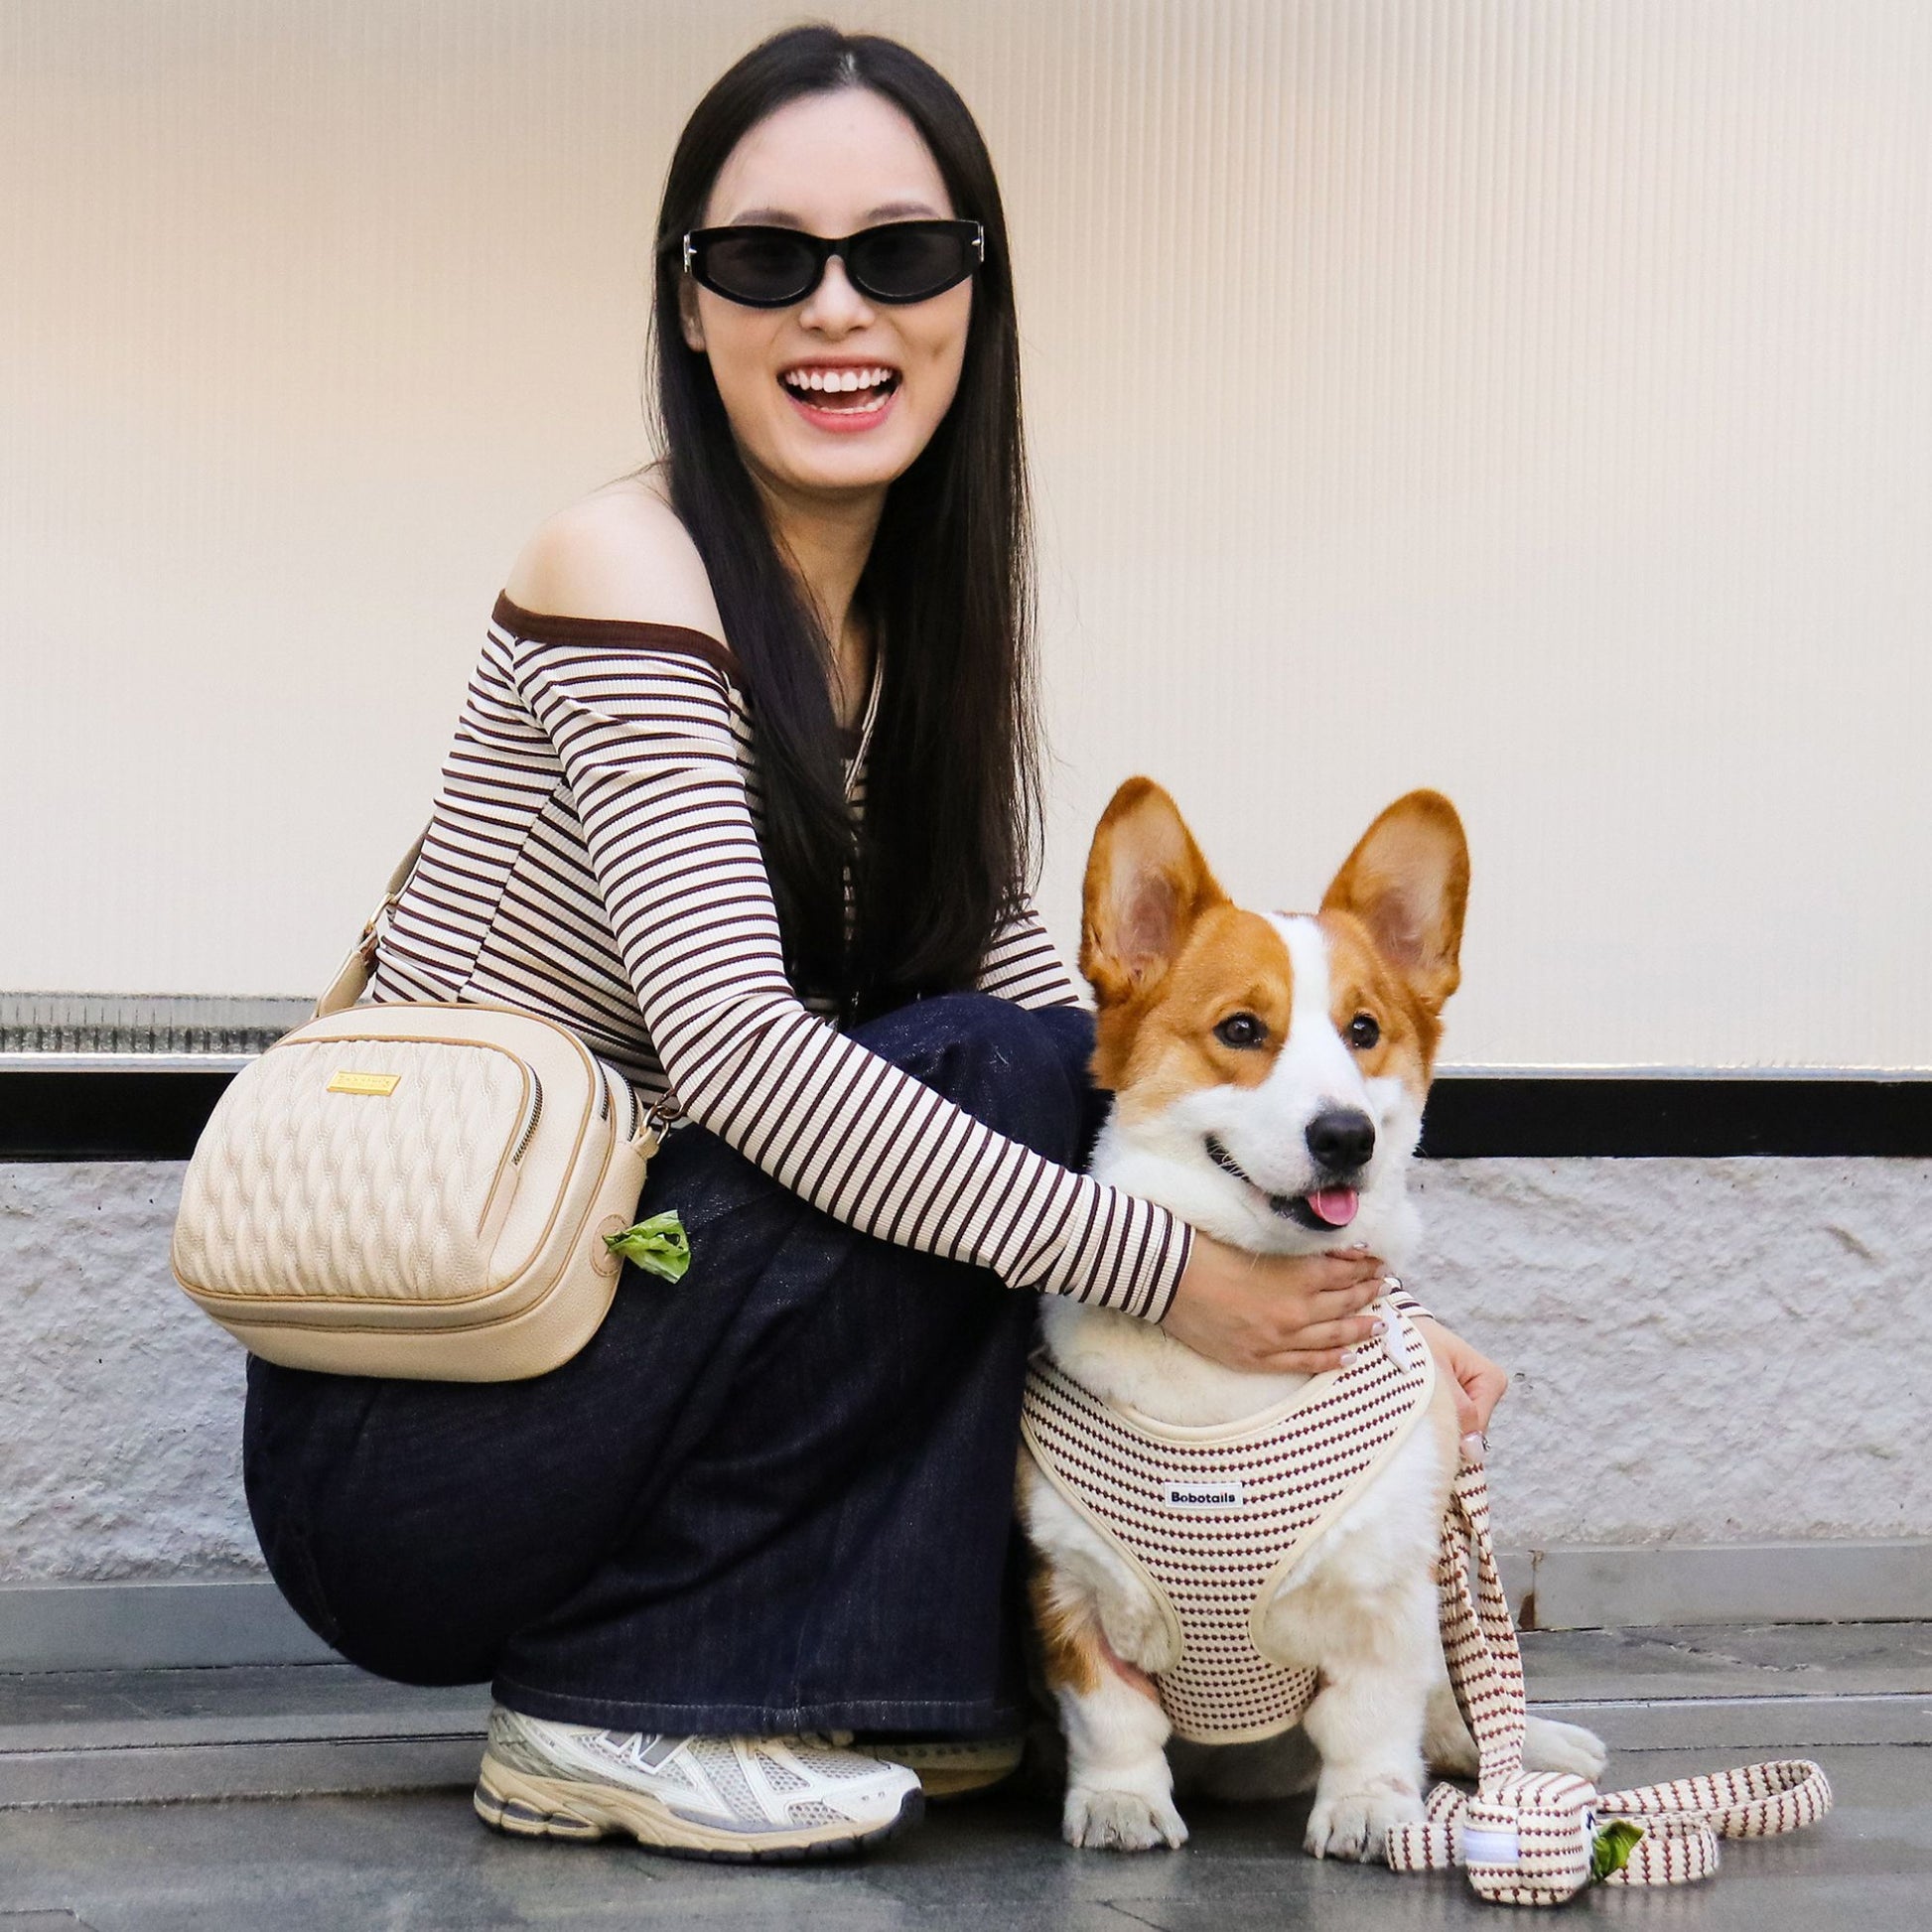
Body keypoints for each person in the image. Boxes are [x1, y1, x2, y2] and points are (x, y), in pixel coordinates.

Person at [241, 24, 1507, 1864]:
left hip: (623, 1355)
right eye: (767, 259)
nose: (836, 308)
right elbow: (741, 1052)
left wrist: (1344, 1298)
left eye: (899, 254)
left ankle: (843, 1680)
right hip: (421, 1443)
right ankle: (611, 1704)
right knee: (978, 1079)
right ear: (690, 306)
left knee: (1011, 1063)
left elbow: (1079, 1056)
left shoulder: (916, 634)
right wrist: (1172, 1269)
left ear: (972, 294)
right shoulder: (622, 563)